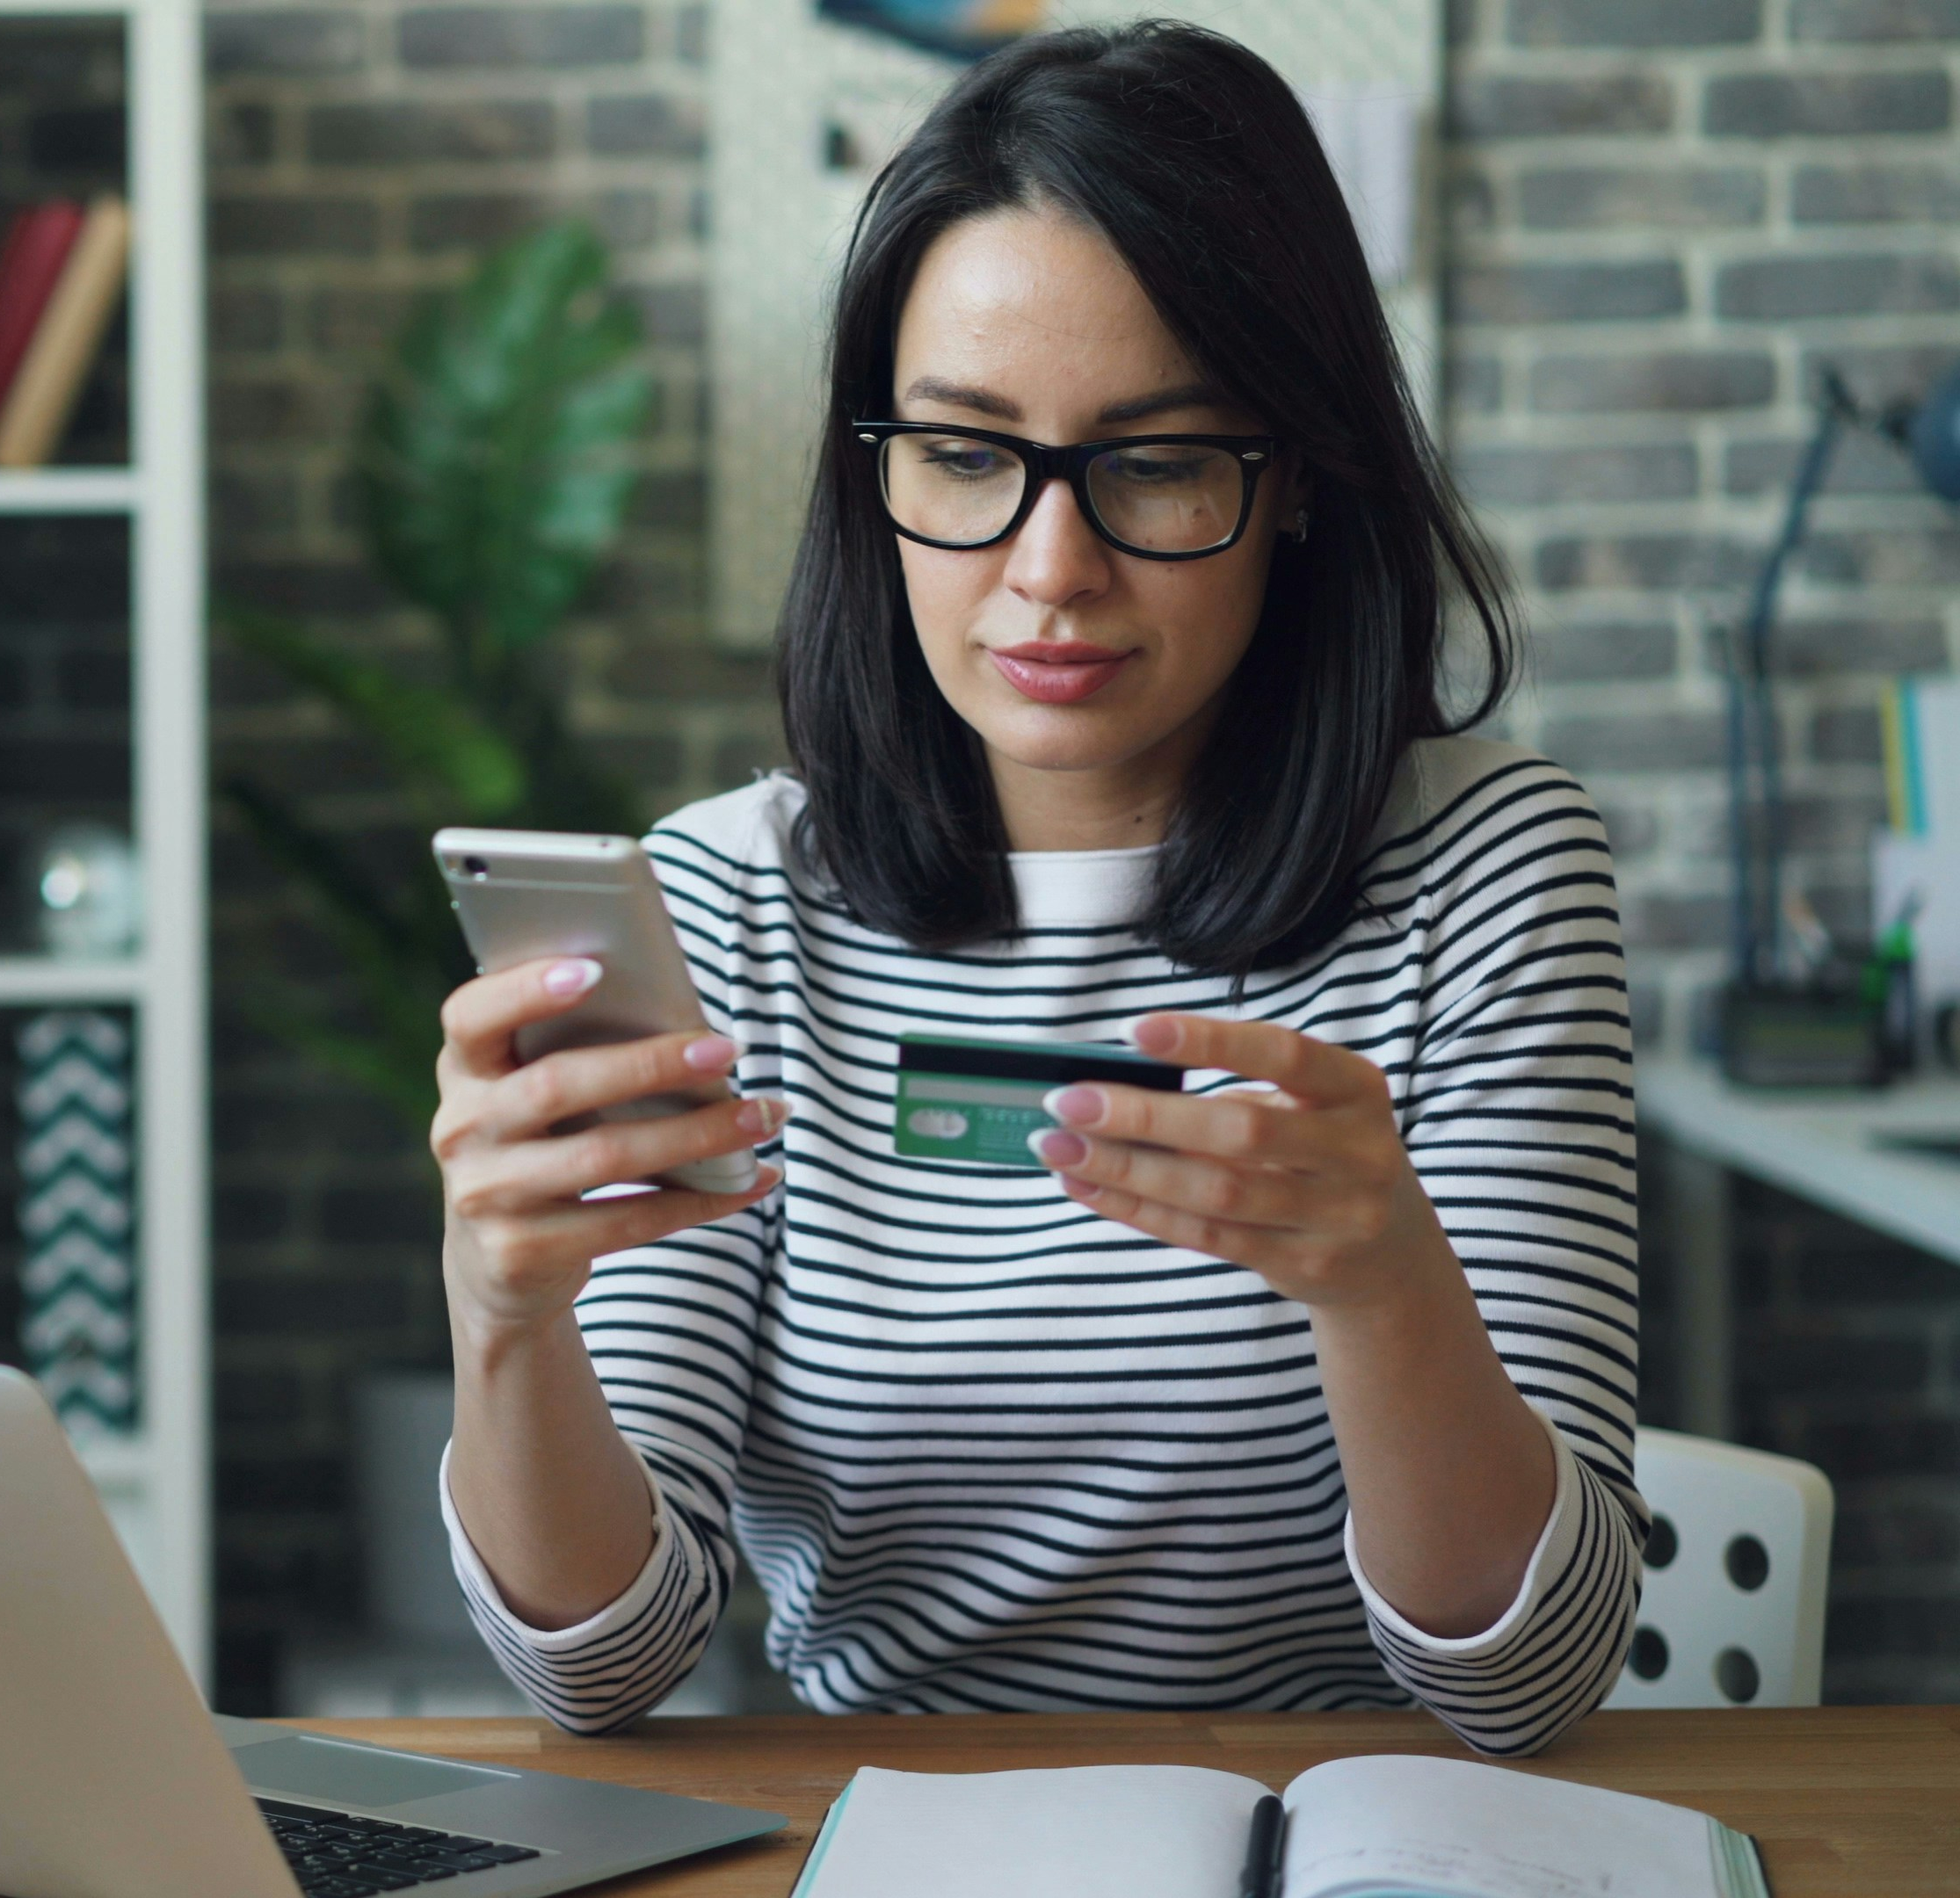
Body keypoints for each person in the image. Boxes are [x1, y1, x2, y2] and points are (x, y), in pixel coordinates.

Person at [427, 22, 1642, 1757]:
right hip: (877, 1839)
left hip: (1357, 1838)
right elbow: (598, 1673)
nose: (1049, 572)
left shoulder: (1489, 873)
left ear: (1292, 477)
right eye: (967, 456)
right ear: (878, 471)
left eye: (1154, 463)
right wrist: (505, 1309)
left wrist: (1384, 1288)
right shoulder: (724, 907)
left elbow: (1531, 1681)